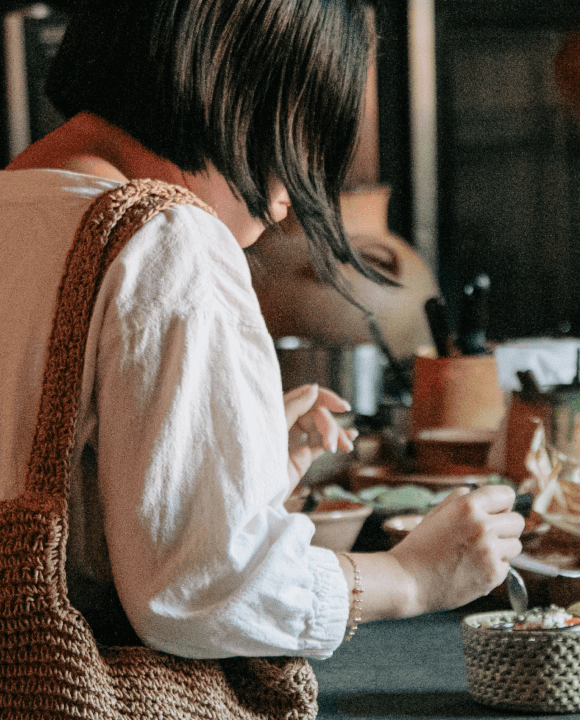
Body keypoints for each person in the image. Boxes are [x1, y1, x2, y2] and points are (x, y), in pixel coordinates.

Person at [0, 0, 523, 662]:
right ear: (227, 82)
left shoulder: (17, 209)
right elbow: (204, 588)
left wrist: (237, 472)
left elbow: (55, 498)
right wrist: (414, 576)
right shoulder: (168, 238)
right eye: (297, 141)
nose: (283, 204)